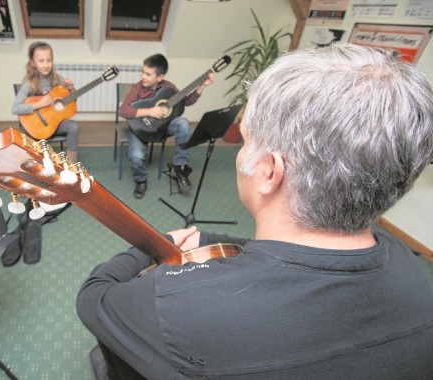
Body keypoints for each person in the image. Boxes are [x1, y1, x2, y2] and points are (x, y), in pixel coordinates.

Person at [76, 44, 433, 379]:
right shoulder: (413, 272)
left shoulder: (186, 307)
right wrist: (212, 239)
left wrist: (156, 244)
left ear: (269, 172)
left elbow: (94, 298)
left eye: (246, 140)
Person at [118, 53, 214, 199]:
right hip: (140, 130)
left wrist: (202, 86)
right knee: (136, 157)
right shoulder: (137, 88)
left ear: (160, 77)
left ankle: (180, 167)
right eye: (143, 72)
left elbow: (186, 101)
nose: (143, 76)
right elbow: (123, 110)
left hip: (162, 127)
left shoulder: (169, 88)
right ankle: (141, 181)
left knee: (183, 123)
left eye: (148, 74)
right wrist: (150, 111)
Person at [12, 41, 80, 163]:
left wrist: (71, 89)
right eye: (41, 61)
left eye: (49, 60)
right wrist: (39, 104)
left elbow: (71, 101)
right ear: (33, 63)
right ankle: (35, 165)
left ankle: (72, 165)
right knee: (31, 151)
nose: (46, 65)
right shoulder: (29, 84)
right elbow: (15, 108)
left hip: (53, 123)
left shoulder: (57, 78)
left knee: (73, 127)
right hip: (35, 127)